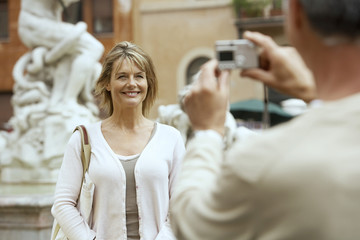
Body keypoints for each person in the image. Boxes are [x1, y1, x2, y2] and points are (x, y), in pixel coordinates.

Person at [170, 0, 360, 239]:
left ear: (297, 14)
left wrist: (207, 131)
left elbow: (192, 223)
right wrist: (312, 92)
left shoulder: (264, 161)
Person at [52, 41, 185, 239]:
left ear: (148, 83)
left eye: (139, 76)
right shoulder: (84, 139)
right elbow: (63, 203)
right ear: (107, 83)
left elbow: (181, 204)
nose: (132, 83)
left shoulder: (171, 138)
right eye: (122, 76)